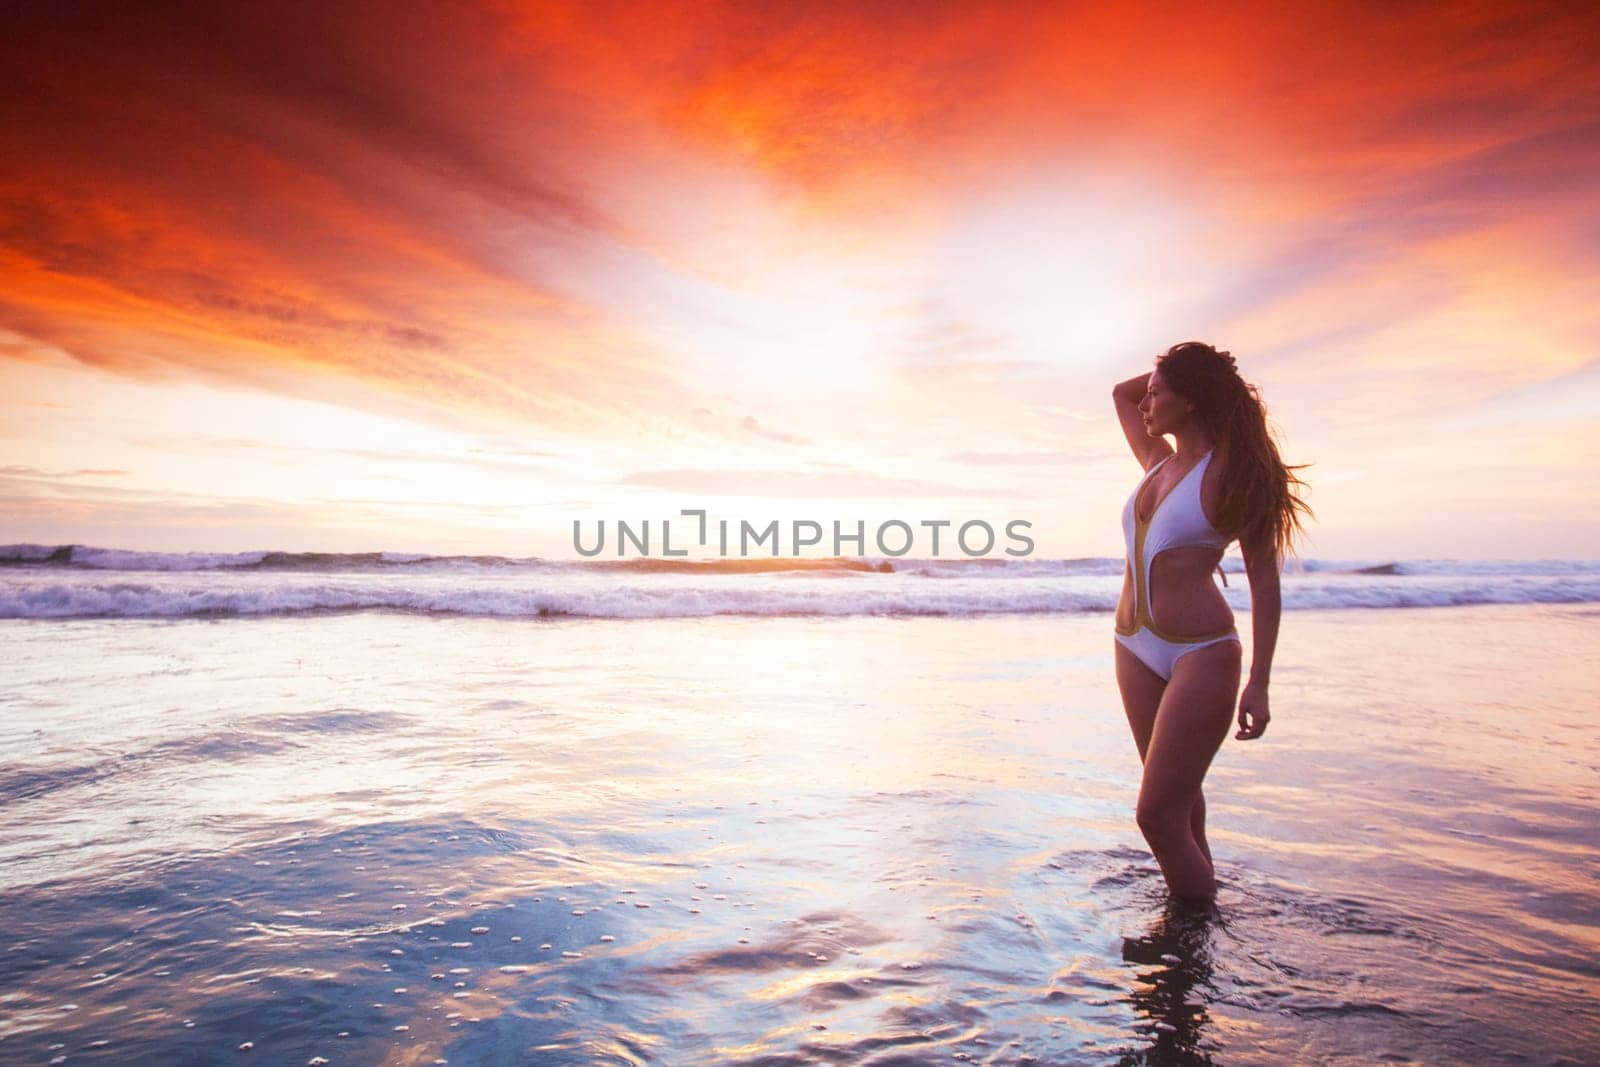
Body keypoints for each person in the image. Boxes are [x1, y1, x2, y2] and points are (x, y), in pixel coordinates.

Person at [1111, 341, 1311, 901]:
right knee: (1181, 807)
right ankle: (1194, 928)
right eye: (1150, 394)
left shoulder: (1231, 475)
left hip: (1201, 653)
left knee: (1155, 817)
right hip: (1133, 646)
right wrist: (1174, 371)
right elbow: (1120, 394)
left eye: (1159, 393)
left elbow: (1264, 583)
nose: (1146, 403)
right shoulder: (1157, 460)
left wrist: (1261, 682)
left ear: (1191, 402)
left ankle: (1195, 934)